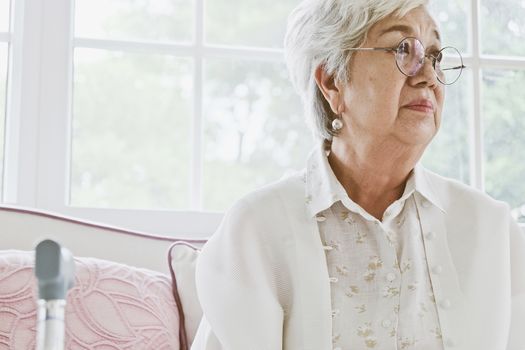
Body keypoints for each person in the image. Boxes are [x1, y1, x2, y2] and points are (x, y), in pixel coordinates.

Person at [191, 0, 525, 349]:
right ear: (332, 81)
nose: (428, 76)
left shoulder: (495, 232)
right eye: (403, 49)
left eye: (435, 57)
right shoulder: (257, 229)